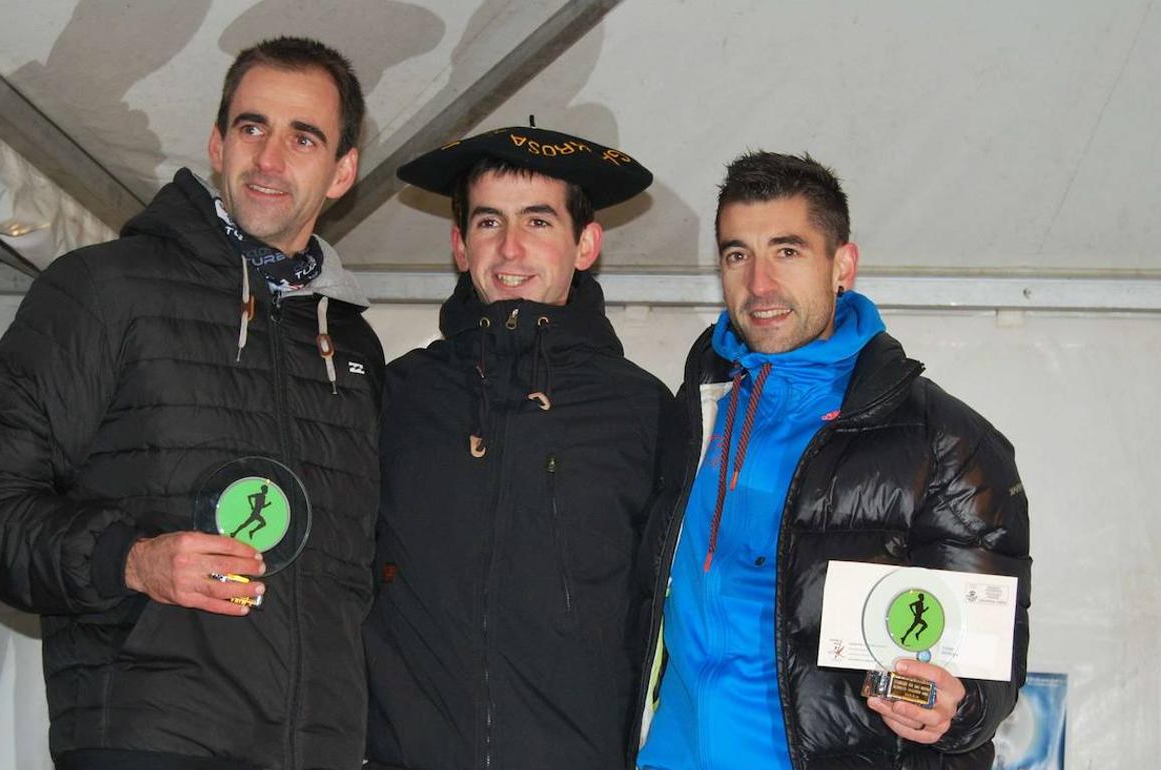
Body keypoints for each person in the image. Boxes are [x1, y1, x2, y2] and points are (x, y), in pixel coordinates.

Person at [0, 37, 383, 769]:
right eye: (251, 127)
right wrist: (131, 561)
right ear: (216, 142)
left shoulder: (354, 348)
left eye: (303, 138)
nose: (270, 159)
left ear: (343, 172)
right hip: (148, 743)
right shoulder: (105, 291)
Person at [633, 151, 1030, 770]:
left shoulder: (946, 441)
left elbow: (987, 661)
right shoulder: (695, 411)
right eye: (738, 254)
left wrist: (960, 704)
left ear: (842, 264)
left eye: (787, 251)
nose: (759, 284)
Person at [364, 126, 679, 770]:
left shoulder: (645, 411)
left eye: (538, 221)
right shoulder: (393, 397)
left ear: (585, 244)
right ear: (459, 244)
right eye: (488, 222)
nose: (510, 247)